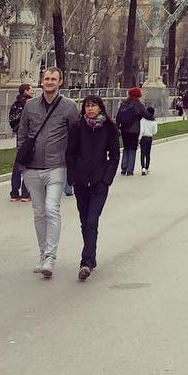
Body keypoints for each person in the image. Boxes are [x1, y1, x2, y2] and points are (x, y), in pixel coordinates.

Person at [16, 66, 78, 278]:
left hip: (56, 167)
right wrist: (21, 164)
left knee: (52, 209)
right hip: (32, 168)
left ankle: (51, 256)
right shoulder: (30, 106)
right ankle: (43, 255)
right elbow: (22, 135)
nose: (49, 82)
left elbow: (75, 136)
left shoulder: (69, 107)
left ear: (60, 82)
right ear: (42, 82)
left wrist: (71, 162)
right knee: (39, 213)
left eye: (54, 79)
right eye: (47, 78)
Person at [65, 94, 119, 280]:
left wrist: (107, 178)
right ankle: (92, 256)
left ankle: (86, 261)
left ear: (100, 108)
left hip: (99, 182)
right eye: (87, 106)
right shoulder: (77, 127)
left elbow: (114, 155)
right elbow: (70, 154)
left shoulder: (109, 127)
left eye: (93, 105)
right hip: (81, 181)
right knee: (84, 221)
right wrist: (72, 176)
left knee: (92, 220)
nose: (90, 109)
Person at [8, 83, 33, 202]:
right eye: (31, 89)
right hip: (29, 135)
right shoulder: (30, 103)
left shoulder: (15, 104)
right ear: (25, 91)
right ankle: (25, 193)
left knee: (18, 162)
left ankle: (14, 192)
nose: (33, 91)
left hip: (19, 135)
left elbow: (11, 119)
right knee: (28, 163)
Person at [116, 87, 146, 175]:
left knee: (126, 148)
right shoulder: (138, 105)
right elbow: (145, 114)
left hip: (124, 129)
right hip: (134, 130)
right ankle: (130, 169)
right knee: (132, 149)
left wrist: (117, 126)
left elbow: (118, 116)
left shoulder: (124, 103)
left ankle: (123, 168)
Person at [138, 105, 158, 175]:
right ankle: (147, 167)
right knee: (148, 153)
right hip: (149, 137)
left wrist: (139, 139)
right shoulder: (154, 121)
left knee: (142, 153)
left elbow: (141, 131)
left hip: (143, 137)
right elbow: (155, 132)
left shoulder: (142, 120)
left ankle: (142, 168)